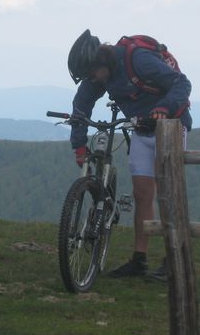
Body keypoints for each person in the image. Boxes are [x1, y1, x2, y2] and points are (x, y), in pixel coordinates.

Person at [67, 29, 192, 279]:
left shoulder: (137, 60)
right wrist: (79, 145)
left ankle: (173, 258)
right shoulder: (98, 74)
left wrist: (163, 107)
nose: (91, 79)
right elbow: (81, 105)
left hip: (171, 128)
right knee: (142, 194)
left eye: (91, 73)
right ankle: (139, 260)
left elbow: (182, 84)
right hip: (141, 131)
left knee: (168, 194)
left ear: (100, 60)